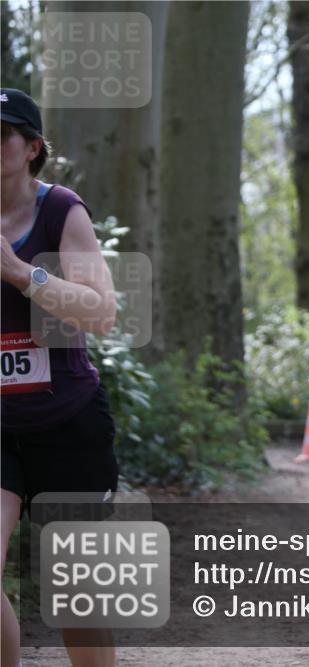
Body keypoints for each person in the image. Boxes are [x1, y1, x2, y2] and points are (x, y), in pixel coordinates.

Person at [1, 88, 118, 667]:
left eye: (1, 135)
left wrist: (21, 273)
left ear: (31, 148)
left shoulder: (61, 210)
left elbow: (102, 311)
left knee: (79, 600)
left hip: (67, 422)